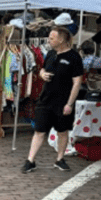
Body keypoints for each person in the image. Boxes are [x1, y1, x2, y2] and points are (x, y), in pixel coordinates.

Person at [22, 27, 85, 173]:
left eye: (51, 38)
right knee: (39, 130)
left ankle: (60, 159)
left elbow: (77, 82)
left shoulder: (74, 57)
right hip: (45, 99)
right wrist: (42, 74)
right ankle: (30, 160)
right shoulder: (50, 53)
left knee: (62, 131)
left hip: (63, 101)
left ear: (61, 39)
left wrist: (69, 103)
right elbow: (43, 69)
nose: (49, 40)